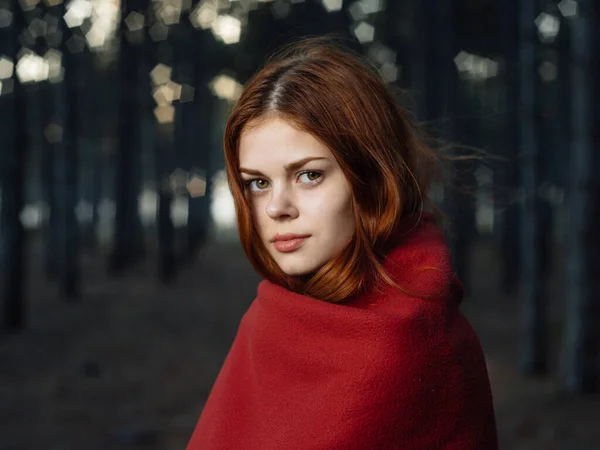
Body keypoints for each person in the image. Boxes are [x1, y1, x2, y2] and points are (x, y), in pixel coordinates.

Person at [187, 36, 498, 450]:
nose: (277, 207)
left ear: (370, 176)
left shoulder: (414, 342)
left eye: (309, 175)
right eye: (258, 183)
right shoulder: (269, 317)